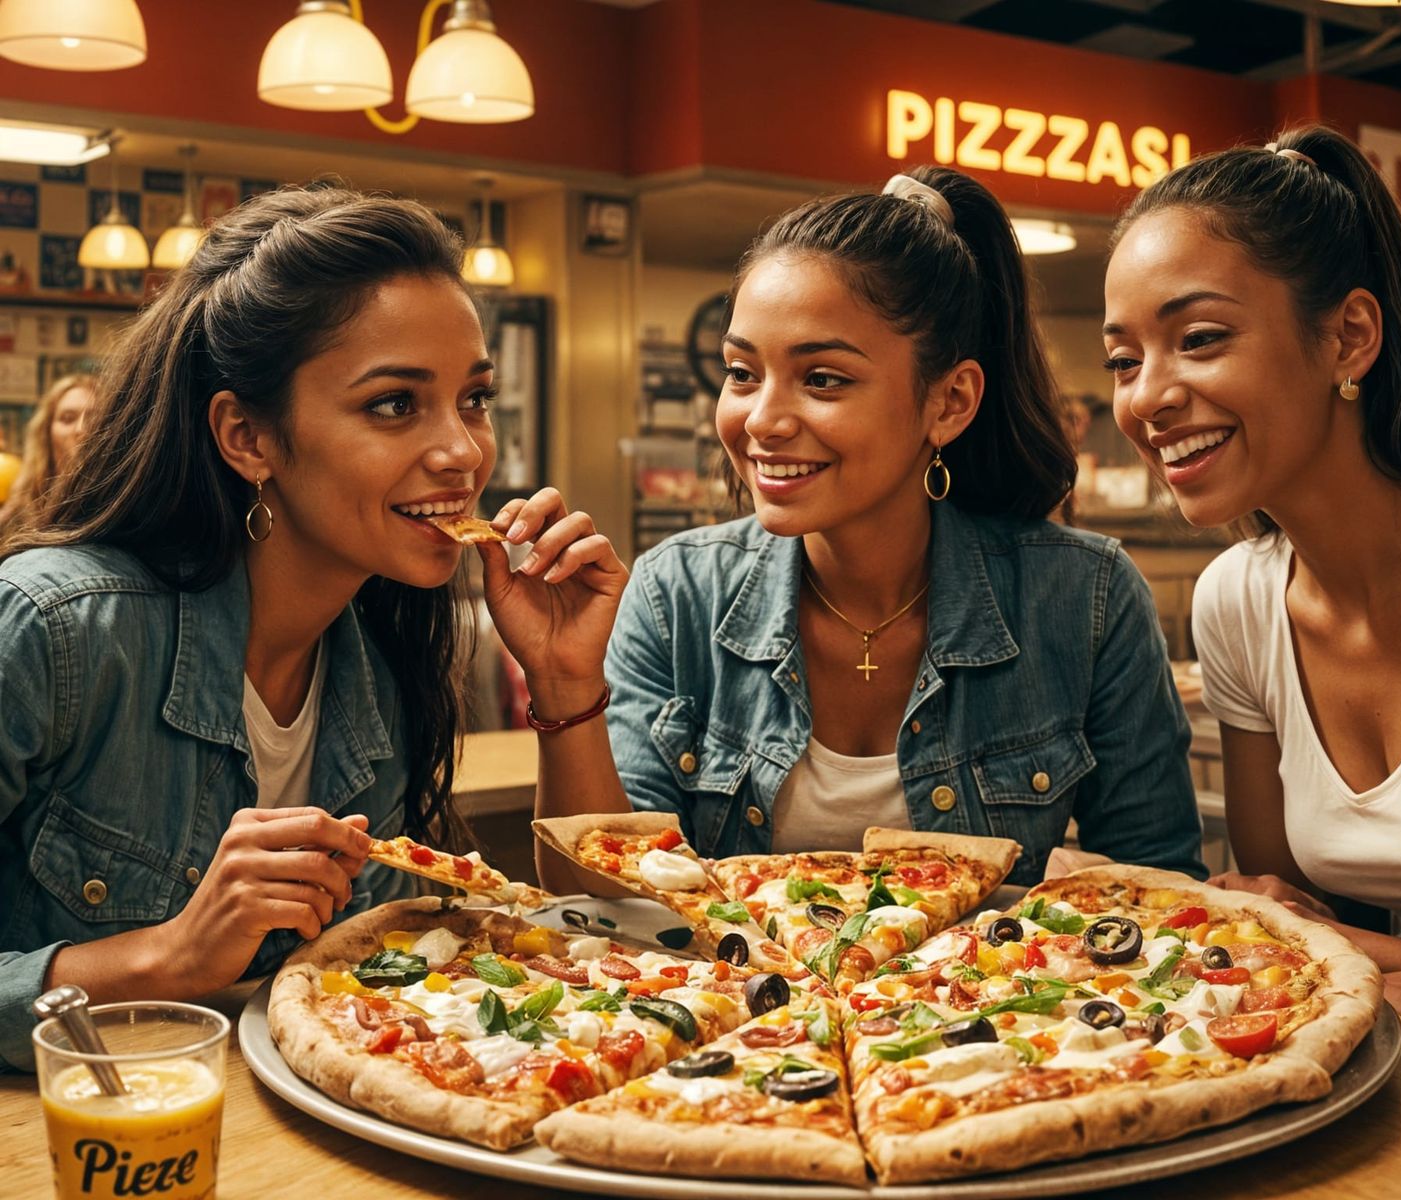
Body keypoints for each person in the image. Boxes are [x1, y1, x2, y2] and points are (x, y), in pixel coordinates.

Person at [493, 166, 1204, 895]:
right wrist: (564, 682)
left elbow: (1160, 896)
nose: (762, 420)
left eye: (823, 379)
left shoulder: (1083, 598)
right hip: (731, 1005)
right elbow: (603, 900)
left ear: (949, 401)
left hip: (994, 1005)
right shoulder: (679, 592)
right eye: (742, 373)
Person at [1101, 124, 1401, 1070]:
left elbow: (1325, 942)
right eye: (1126, 359)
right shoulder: (1238, 600)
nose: (1146, 398)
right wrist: (1385, 973)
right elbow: (1285, 919)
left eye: (1198, 340)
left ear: (1349, 336)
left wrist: (1389, 964)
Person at [0, 188, 506, 1070]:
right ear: (247, 436)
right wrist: (170, 955)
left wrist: (567, 685)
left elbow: (363, 991)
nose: (463, 450)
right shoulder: (55, 632)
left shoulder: (377, 672)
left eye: (474, 398)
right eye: (395, 404)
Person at [0, 373, 96, 537]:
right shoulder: (18, 509)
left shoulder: (124, 506)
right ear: (46, 432)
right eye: (67, 418)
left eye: (95, 418)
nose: (81, 429)